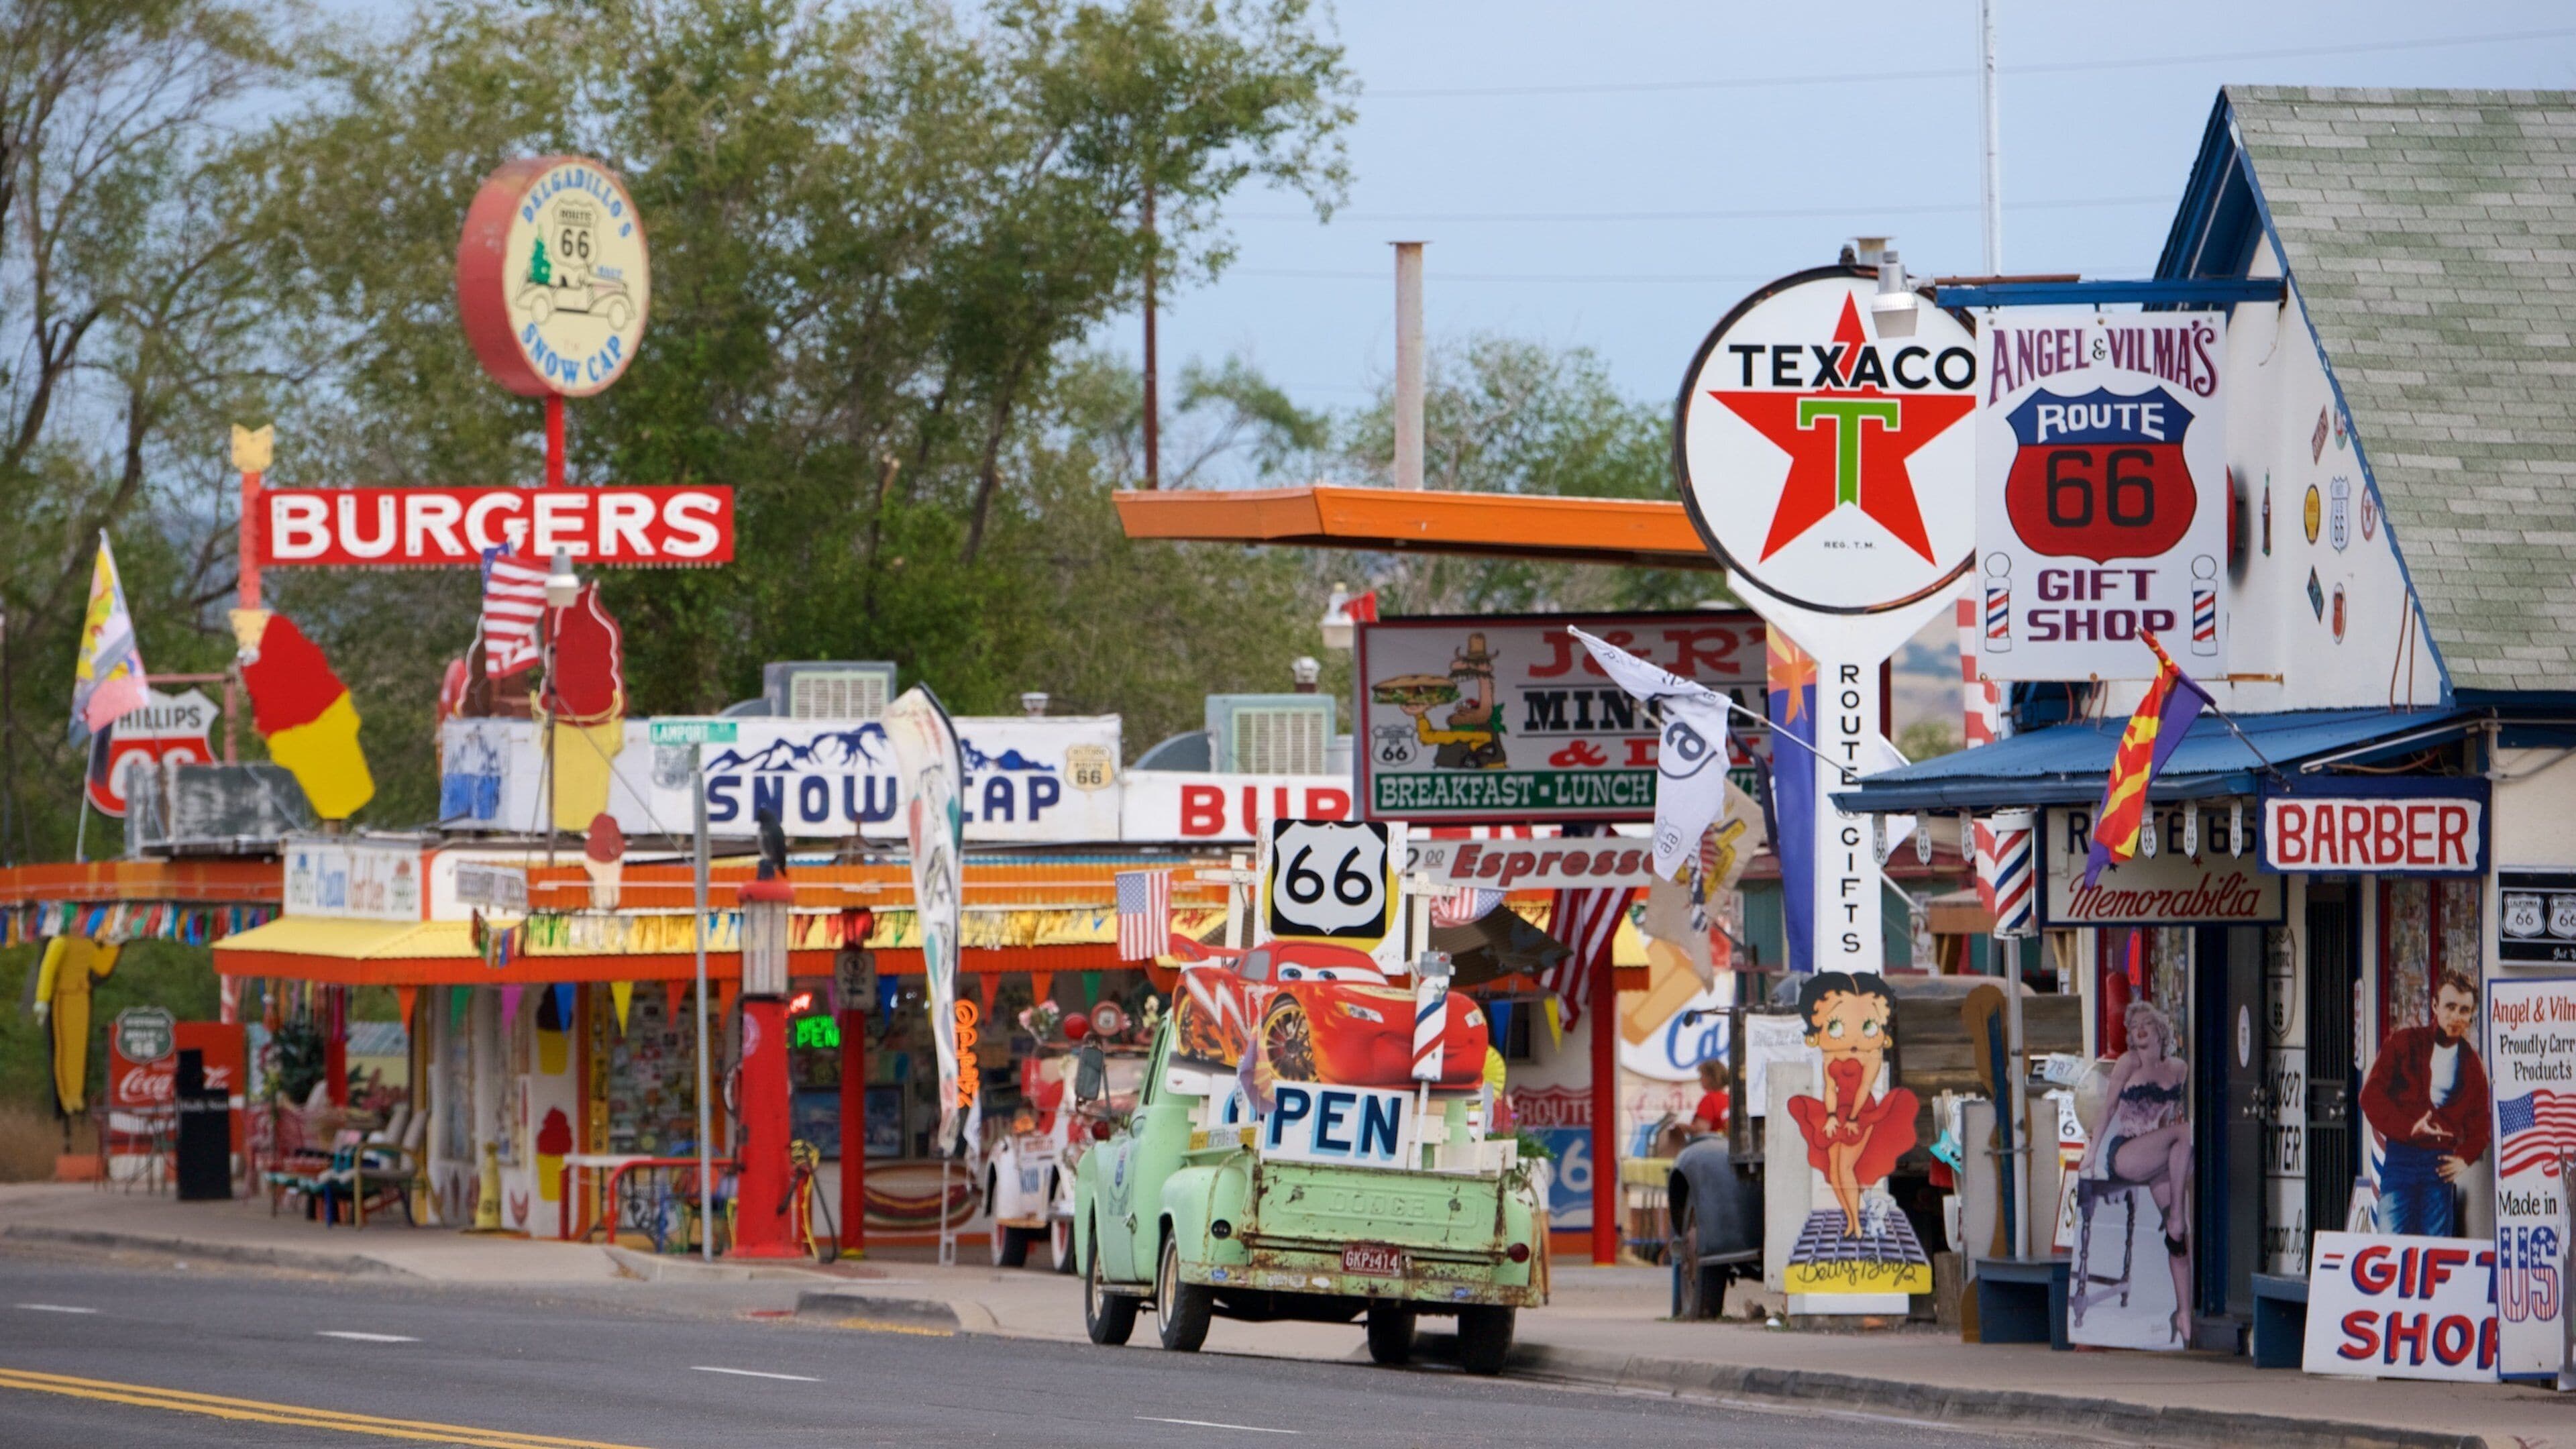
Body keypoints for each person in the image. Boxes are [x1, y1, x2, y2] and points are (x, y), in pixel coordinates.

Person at [2081, 1000, 2192, 1344]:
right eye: (2133, 1027)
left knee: (2182, 1237)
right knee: (2186, 1133)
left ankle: (2184, 1314)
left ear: (2160, 1029)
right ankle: (2174, 1216)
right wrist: (2091, 1153)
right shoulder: (2127, 1064)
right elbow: (2108, 1107)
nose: (2139, 1030)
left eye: (2145, 1024)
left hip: (2159, 1157)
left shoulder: (2179, 1068)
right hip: (2127, 1151)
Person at [1784, 971, 1917, 1238]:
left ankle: (1856, 1224)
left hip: (1862, 1112)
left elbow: (1865, 1088)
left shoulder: (1872, 1057)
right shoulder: (1829, 1056)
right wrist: (1832, 1115)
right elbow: (1829, 1089)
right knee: (1834, 1172)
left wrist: (1854, 1117)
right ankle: (1851, 1220)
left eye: (1869, 1026)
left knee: (1846, 1167)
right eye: (1835, 1026)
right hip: (1839, 1113)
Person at [2359, 971, 2491, 1237]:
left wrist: (2464, 1157)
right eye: (2450, 1007)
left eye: (2464, 1011)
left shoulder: (2472, 1064)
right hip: (2401, 1155)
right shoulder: (2404, 1043)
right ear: (2434, 1006)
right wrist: (2408, 1126)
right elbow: (2370, 1095)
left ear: (2471, 1015)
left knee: (2435, 1246)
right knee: (2391, 1243)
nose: (2456, 1017)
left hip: (2439, 1162)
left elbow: (2482, 1123)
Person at [1690, 1058, 1731, 1135]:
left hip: (1712, 1144)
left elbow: (1701, 1130)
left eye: (1702, 1076)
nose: (1700, 1079)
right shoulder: (1728, 1098)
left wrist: (1681, 1128)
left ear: (1711, 1078)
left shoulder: (1709, 1099)